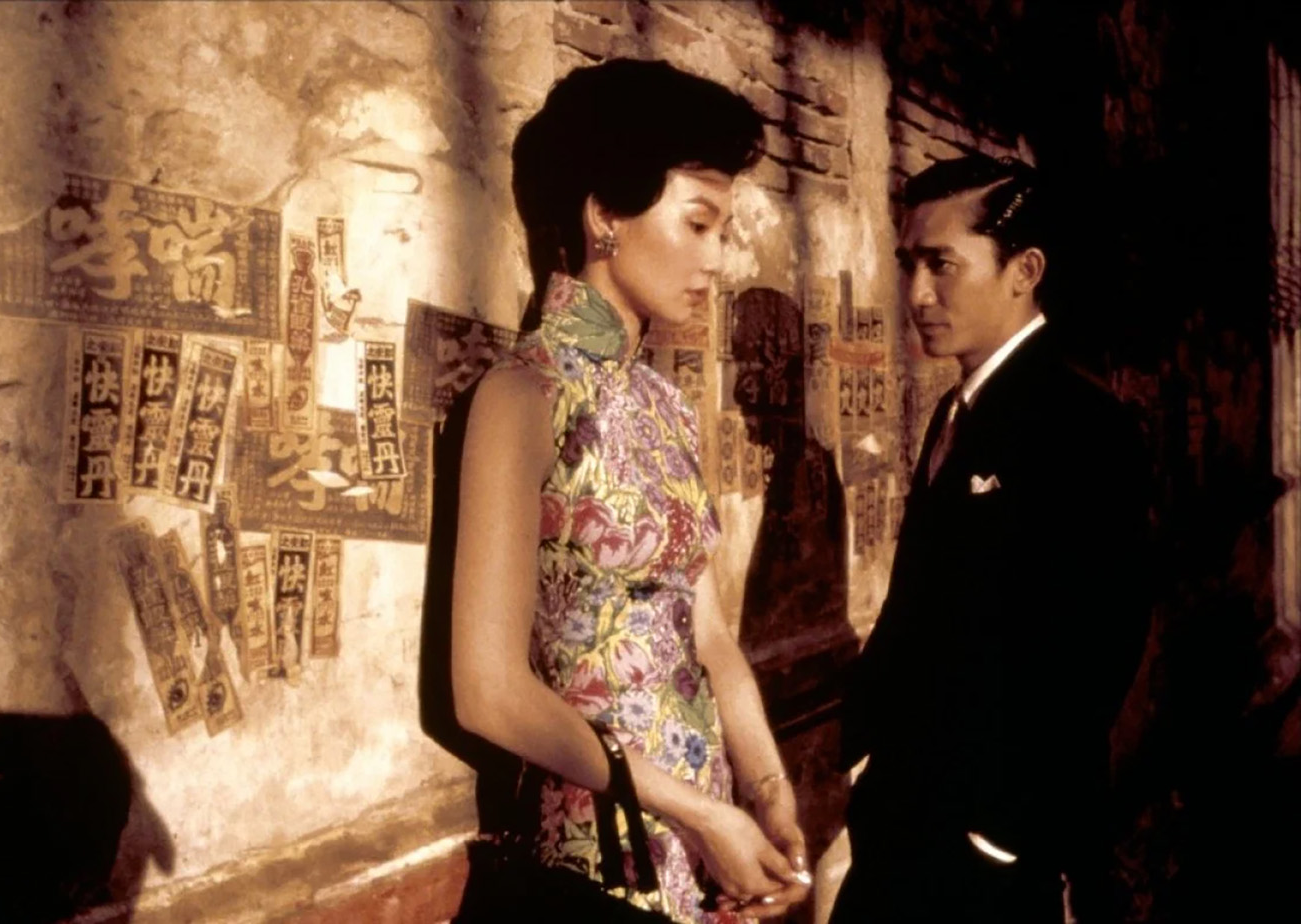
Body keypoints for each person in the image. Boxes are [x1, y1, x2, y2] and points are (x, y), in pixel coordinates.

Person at [444, 59, 812, 922]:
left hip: (704, 857)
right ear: (604, 215)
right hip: (592, 872)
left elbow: (709, 635)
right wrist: (705, 815)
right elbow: (487, 691)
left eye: (723, 231)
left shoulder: (666, 406)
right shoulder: (522, 395)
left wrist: (765, 794)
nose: (717, 259)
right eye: (698, 223)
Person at [830, 155, 1151, 923]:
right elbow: (919, 607)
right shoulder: (954, 414)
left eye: (942, 264)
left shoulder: (1083, 425)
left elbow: (1098, 650)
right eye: (909, 264)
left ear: (1024, 271)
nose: (917, 294)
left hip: (993, 856)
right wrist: (861, 754)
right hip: (903, 819)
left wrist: (999, 833)